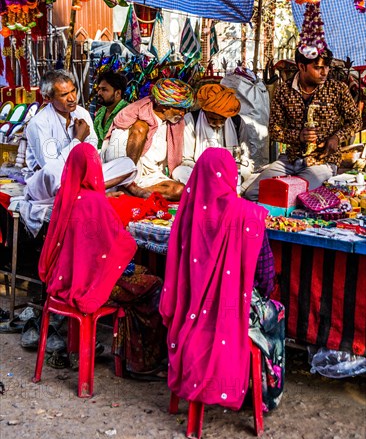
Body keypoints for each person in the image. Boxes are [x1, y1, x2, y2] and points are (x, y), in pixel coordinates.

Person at [160, 148, 285, 412]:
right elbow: (264, 275)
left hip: (189, 307)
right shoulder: (248, 215)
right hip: (234, 308)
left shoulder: (186, 216)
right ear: (231, 175)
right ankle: (265, 394)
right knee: (276, 312)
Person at [38, 143, 166, 377]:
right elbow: (122, 245)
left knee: (139, 276)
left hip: (63, 280)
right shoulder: (95, 203)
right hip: (89, 285)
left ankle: (125, 356)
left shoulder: (66, 197)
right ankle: (141, 362)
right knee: (153, 284)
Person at [245, 47, 362, 201]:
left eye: (326, 67)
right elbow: (274, 130)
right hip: (290, 160)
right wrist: (298, 136)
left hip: (322, 162)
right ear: (301, 66)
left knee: (299, 197)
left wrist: (336, 138)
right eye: (318, 68)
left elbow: (355, 121)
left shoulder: (337, 89)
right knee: (252, 193)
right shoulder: (283, 91)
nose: (324, 72)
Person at [24, 69, 137, 204]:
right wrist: (78, 139)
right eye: (64, 94)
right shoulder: (38, 123)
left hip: (81, 177)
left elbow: (92, 152)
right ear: (48, 98)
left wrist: (88, 171)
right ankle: (91, 193)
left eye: (73, 91)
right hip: (50, 184)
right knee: (53, 173)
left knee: (127, 164)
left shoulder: (81, 113)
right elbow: (52, 167)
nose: (72, 98)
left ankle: (84, 193)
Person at [105, 78, 194, 201]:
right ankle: (129, 189)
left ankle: (134, 194)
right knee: (140, 127)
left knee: (179, 190)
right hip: (125, 177)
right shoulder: (132, 116)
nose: (183, 113)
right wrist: (129, 182)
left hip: (151, 177)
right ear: (164, 106)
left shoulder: (174, 124)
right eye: (179, 108)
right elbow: (113, 157)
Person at [172, 83, 253, 185]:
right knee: (179, 171)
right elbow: (187, 159)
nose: (218, 124)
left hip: (229, 171)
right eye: (213, 119)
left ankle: (215, 188)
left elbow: (244, 156)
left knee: (247, 168)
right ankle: (216, 188)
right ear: (205, 111)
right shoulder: (191, 120)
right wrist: (209, 170)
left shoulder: (237, 121)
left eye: (222, 119)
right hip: (202, 171)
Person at [93, 70, 129, 149]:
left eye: (104, 89)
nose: (99, 93)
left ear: (118, 93)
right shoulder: (100, 112)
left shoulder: (127, 113)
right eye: (99, 89)